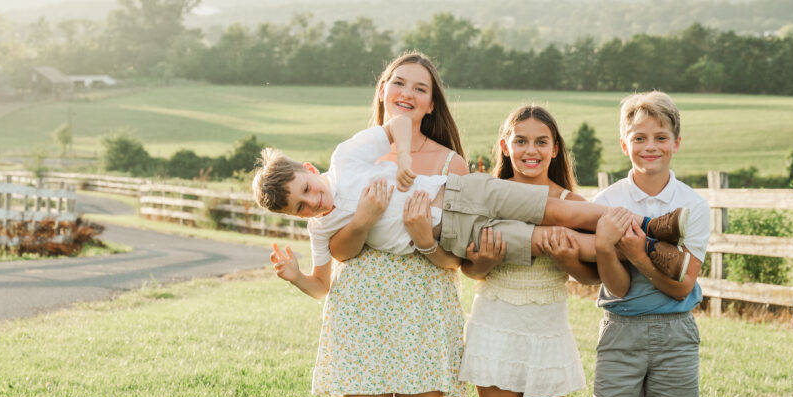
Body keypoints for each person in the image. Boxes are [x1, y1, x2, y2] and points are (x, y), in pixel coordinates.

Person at [259, 52, 469, 397]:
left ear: (431, 100)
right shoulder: (352, 155)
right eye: (398, 82)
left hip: (423, 302)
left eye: (420, 87)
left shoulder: (450, 164)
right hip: (359, 311)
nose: (407, 93)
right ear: (381, 89)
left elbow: (458, 261)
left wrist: (422, 237)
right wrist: (299, 276)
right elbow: (335, 264)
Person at [253, 117, 692, 284]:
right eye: (301, 208)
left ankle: (651, 227)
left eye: (306, 190)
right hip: (457, 232)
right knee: (549, 237)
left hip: (462, 189)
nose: (313, 203)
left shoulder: (346, 158)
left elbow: (400, 124)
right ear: (296, 218)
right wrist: (295, 276)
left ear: (309, 170)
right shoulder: (323, 228)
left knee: (559, 208)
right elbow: (323, 282)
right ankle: (652, 254)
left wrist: (403, 156)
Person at [564, 90, 711, 397]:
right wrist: (610, 248)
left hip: (675, 334)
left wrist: (638, 248)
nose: (651, 146)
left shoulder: (692, 205)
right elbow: (616, 285)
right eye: (639, 137)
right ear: (624, 143)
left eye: (660, 137)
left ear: (676, 142)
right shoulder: (607, 203)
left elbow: (681, 284)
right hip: (621, 332)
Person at [458, 106, 599, 397]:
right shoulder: (489, 197)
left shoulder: (571, 203)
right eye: (520, 141)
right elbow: (469, 269)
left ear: (555, 149)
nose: (530, 150)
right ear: (505, 145)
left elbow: (589, 274)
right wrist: (481, 260)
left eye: (541, 142)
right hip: (496, 320)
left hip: (546, 326)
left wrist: (568, 257)